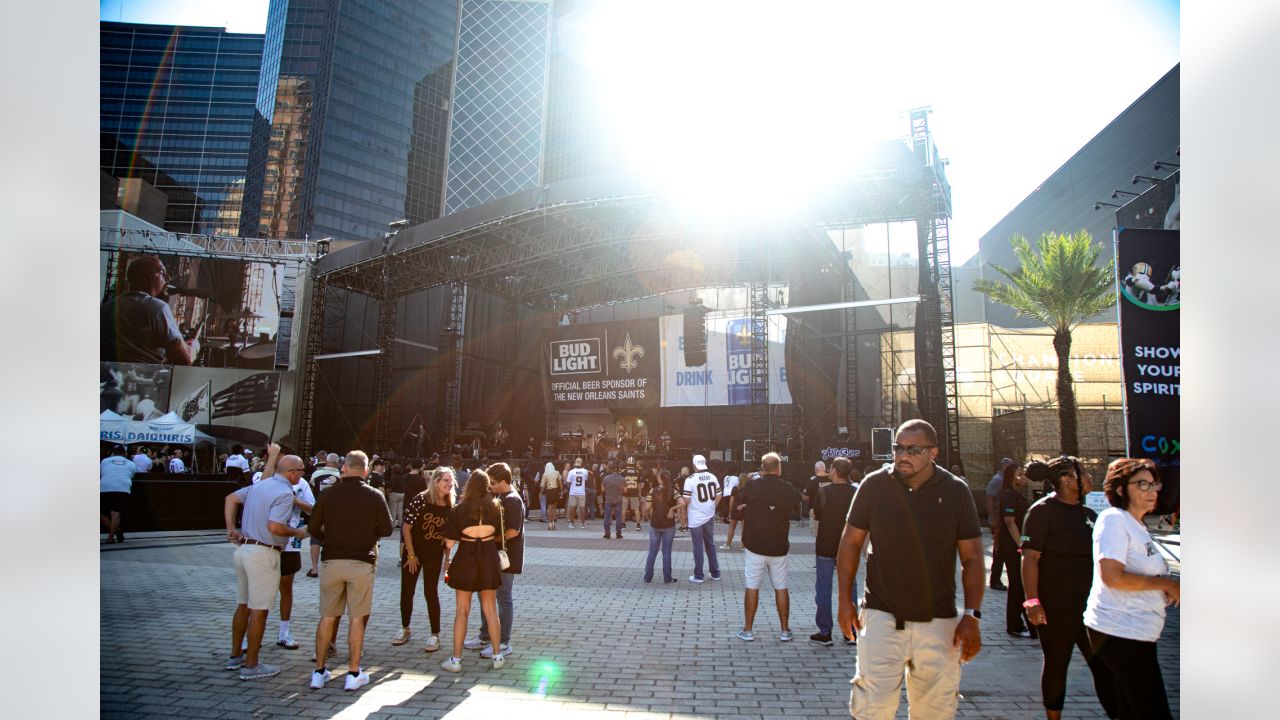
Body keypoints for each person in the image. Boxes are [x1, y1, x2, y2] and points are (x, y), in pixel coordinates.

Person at [835, 419, 985, 720]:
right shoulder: (875, 485)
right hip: (881, 616)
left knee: (935, 712)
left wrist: (972, 616)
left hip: (940, 623)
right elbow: (850, 543)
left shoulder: (956, 491)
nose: (902, 455)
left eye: (912, 450)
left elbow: (972, 558)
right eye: (898, 448)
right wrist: (844, 601)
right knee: (871, 709)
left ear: (933, 453)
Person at [1022, 457, 1119, 720]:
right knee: (1057, 662)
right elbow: (1030, 558)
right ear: (1067, 479)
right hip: (1055, 605)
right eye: (1083, 473)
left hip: (1091, 606)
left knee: (1104, 665)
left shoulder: (1088, 515)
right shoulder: (1042, 512)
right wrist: (1032, 602)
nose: (1089, 478)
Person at [1083, 458, 1179, 720]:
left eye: (1154, 485)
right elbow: (1112, 577)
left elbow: (1138, 573)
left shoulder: (1135, 524)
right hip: (1121, 632)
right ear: (1122, 489)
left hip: (1136, 633)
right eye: (1143, 485)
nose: (1152, 491)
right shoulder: (1114, 520)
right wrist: (1167, 584)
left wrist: (1161, 587)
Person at [306, 450, 393, 691]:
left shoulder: (328, 494)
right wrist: (366, 535)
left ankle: (319, 671)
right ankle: (353, 673)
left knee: (327, 615)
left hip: (332, 560)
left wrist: (330, 537)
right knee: (357, 617)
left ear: (344, 467)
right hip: (361, 561)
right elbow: (387, 529)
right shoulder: (374, 495)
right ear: (365, 470)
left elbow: (313, 527)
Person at [222, 446, 309, 681]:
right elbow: (275, 527)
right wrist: (299, 532)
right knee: (259, 611)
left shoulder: (260, 485)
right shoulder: (283, 493)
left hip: (244, 549)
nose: (302, 474)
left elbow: (230, 498)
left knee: (243, 605)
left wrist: (231, 529)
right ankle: (251, 665)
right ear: (292, 472)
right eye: (301, 471)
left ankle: (234, 656)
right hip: (264, 552)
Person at [439, 469, 507, 673]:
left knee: (462, 610)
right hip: (488, 558)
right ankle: (497, 655)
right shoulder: (496, 507)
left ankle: (456, 659)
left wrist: (447, 559)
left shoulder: (459, 509)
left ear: (469, 486)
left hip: (466, 559)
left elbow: (450, 542)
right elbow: (500, 537)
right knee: (491, 609)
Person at [464, 462, 525, 659]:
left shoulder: (512, 501)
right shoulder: (502, 497)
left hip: (506, 558)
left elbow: (513, 532)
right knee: (486, 595)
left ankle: (504, 641)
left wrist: (488, 538)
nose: (490, 486)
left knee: (503, 598)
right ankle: (486, 635)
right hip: (496, 556)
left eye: (493, 482)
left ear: (504, 481)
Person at [395, 465, 455, 652]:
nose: (449, 484)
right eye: (445, 480)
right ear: (436, 482)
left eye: (450, 480)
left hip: (434, 554)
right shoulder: (421, 500)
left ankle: (434, 634)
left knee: (431, 592)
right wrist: (411, 554)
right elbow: (406, 528)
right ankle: (405, 628)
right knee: (407, 590)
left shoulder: (450, 505)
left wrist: (448, 558)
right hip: (414, 552)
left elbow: (449, 536)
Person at [736, 452, 795, 642]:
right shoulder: (787, 487)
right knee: (781, 586)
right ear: (779, 468)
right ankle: (785, 630)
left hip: (755, 544)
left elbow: (739, 502)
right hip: (779, 545)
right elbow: (794, 511)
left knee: (752, 586)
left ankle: (748, 630)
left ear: (762, 468)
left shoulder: (752, 485)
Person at [100, 254, 196, 364]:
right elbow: (185, 358)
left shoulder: (106, 308)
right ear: (144, 280)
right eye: (162, 273)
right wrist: (194, 346)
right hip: (142, 379)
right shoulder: (158, 308)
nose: (168, 279)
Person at [810, 456, 859, 646]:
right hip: (849, 547)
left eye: (830, 469)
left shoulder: (824, 493)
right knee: (850, 589)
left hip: (826, 545)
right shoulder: (856, 492)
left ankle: (825, 631)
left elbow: (818, 514)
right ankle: (851, 632)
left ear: (835, 471)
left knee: (823, 589)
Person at [998, 460, 1037, 638]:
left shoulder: (1016, 494)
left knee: (1016, 584)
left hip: (1018, 543)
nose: (1023, 477)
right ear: (1011, 476)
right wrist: (1022, 544)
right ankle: (1015, 623)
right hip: (1012, 545)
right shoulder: (1009, 495)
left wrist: (1025, 541)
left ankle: (1016, 623)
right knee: (1016, 583)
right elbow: (1010, 521)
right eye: (1020, 474)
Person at [680, 454, 722, 583]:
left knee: (697, 545)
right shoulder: (712, 477)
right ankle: (715, 573)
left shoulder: (690, 480)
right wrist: (711, 506)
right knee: (710, 543)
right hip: (709, 515)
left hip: (696, 518)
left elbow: (686, 500)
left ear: (694, 466)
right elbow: (719, 495)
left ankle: (698, 575)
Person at [643, 470, 679, 584]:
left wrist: (647, 507)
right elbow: (683, 502)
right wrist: (672, 509)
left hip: (655, 524)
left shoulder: (652, 490)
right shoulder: (673, 491)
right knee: (667, 552)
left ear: (660, 479)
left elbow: (647, 507)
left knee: (652, 551)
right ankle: (667, 578)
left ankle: (648, 577)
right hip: (669, 525)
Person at [987, 457, 1015, 590]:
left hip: (1002, 520)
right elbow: (990, 499)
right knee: (999, 551)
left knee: (1001, 551)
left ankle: (996, 579)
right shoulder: (998, 480)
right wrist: (992, 519)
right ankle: (995, 579)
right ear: (1005, 467)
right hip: (999, 521)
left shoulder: (1005, 481)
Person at [100, 445, 136, 544]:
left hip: (104, 488)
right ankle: (111, 536)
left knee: (100, 512)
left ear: (113, 453)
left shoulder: (104, 461)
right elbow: (132, 475)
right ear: (125, 454)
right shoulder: (131, 463)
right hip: (123, 489)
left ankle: (116, 531)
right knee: (115, 513)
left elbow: (101, 473)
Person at [720, 464, 745, 550]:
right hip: (744, 510)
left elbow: (731, 500)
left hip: (735, 508)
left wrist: (730, 511)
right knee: (744, 528)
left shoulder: (734, 488)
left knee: (732, 527)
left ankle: (728, 544)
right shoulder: (748, 488)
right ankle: (743, 546)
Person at [601, 462, 626, 539]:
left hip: (609, 499)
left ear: (610, 469)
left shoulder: (606, 478)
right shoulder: (622, 479)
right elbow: (625, 491)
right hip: (618, 499)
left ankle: (607, 534)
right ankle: (618, 534)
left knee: (607, 517)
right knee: (619, 517)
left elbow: (602, 489)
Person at [565, 458, 589, 528]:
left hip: (573, 492)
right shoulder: (585, 471)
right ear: (581, 463)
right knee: (582, 508)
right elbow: (586, 479)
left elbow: (568, 482)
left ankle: (572, 524)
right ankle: (583, 524)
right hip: (581, 492)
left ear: (575, 463)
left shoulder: (571, 471)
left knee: (572, 508)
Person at [621, 457, 644, 531]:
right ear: (634, 463)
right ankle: (638, 525)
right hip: (634, 493)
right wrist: (639, 493)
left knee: (624, 509)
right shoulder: (637, 472)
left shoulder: (623, 472)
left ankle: (623, 525)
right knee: (636, 509)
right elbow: (639, 485)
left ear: (627, 463)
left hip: (625, 493)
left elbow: (620, 483)